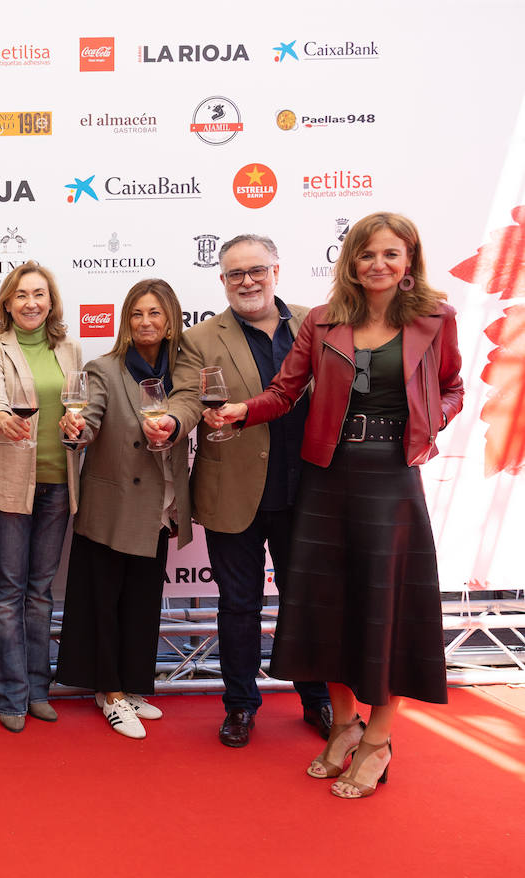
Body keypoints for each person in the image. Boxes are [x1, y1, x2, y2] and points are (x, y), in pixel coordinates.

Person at [209, 212, 463, 797]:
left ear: (409, 260)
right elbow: (285, 391)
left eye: (391, 254)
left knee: (385, 610)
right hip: (327, 476)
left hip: (393, 480)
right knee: (329, 609)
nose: (378, 264)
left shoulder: (436, 317)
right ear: (350, 261)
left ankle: (378, 740)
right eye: (366, 254)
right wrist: (241, 411)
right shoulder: (323, 320)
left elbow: (452, 387)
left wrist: (431, 422)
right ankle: (345, 725)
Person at [171, 235, 332, 748]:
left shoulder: (316, 323)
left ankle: (318, 700)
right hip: (232, 492)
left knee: (306, 604)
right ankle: (240, 705)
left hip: (308, 491)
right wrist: (172, 423)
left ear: (275, 271)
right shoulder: (200, 338)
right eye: (235, 274)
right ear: (222, 281)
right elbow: (186, 399)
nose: (247, 281)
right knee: (239, 605)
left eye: (256, 270)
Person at [57, 278, 193, 739]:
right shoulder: (104, 369)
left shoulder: (183, 371)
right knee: (104, 604)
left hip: (161, 504)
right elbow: (88, 420)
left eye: (155, 313)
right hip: (114, 504)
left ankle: (129, 686)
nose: (145, 322)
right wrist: (75, 428)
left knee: (141, 603)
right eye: (137, 313)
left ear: (171, 320)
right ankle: (110, 694)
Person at [0, 262, 81, 732]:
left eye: (39, 294)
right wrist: (1, 419)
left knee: (40, 593)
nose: (31, 303)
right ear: (7, 302)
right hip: (9, 485)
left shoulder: (70, 348)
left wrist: (79, 425)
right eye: (21, 295)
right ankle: (10, 695)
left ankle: (39, 689)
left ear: (50, 301)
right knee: (7, 594)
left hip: (60, 481)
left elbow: (79, 406)